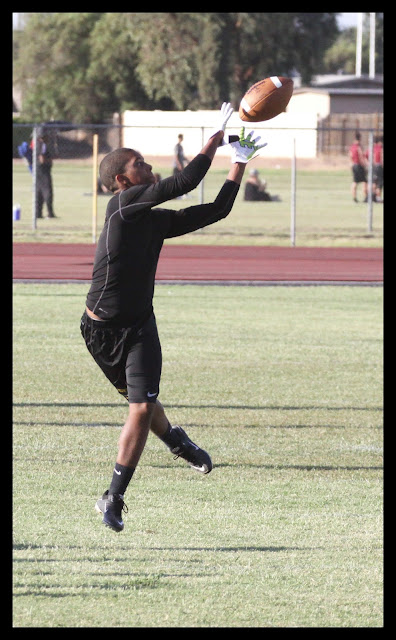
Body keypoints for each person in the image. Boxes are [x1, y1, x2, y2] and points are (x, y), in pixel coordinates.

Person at [80, 104, 266, 532]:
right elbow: (184, 182)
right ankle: (177, 440)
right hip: (102, 331)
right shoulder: (123, 208)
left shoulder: (151, 220)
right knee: (142, 406)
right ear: (123, 181)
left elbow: (214, 210)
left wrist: (238, 164)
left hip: (140, 324)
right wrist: (215, 138)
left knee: (141, 406)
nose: (149, 168)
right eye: (140, 165)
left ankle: (113, 496)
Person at [32, 129, 56, 218]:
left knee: (39, 192)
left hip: (37, 171)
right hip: (43, 171)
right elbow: (42, 159)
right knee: (47, 191)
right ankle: (50, 213)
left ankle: (38, 213)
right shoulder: (42, 145)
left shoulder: (37, 144)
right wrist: (50, 160)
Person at [349, 132, 368, 203]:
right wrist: (364, 165)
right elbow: (361, 157)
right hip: (359, 165)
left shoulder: (352, 146)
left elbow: (350, 156)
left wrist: (351, 164)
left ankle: (354, 198)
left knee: (355, 182)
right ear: (360, 138)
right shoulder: (359, 146)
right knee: (365, 182)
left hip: (354, 165)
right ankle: (366, 198)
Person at [372, 135, 383, 203]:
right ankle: (378, 198)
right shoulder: (381, 148)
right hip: (379, 166)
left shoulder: (374, 148)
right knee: (380, 182)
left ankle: (373, 197)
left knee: (374, 182)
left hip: (374, 166)